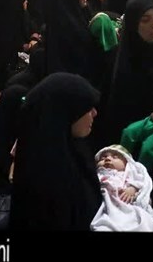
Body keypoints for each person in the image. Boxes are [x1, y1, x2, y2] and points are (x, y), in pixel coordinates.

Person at [10, 73, 101, 231]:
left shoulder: (73, 148)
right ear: (65, 114)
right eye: (87, 109)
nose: (94, 113)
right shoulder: (46, 181)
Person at [90, 145, 153, 232]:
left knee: (143, 222)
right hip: (106, 209)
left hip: (128, 207)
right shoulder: (97, 175)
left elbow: (141, 184)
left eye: (115, 157)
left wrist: (132, 189)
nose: (107, 159)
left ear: (127, 162)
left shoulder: (129, 175)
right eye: (102, 158)